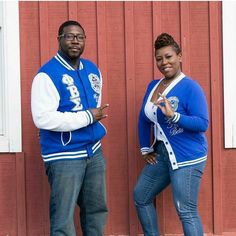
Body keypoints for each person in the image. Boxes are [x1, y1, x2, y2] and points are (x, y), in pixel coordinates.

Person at [31, 20, 109, 236]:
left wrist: (91, 117)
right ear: (59, 39)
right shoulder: (46, 75)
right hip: (64, 155)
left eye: (80, 37)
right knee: (63, 220)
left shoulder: (93, 69)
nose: (75, 41)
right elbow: (42, 119)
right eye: (69, 36)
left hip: (94, 152)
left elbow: (95, 106)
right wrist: (86, 117)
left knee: (96, 212)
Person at [133, 33, 209, 236]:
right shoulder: (153, 86)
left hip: (187, 156)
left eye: (168, 57)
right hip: (163, 154)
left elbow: (202, 123)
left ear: (179, 56)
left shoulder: (190, 87)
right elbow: (143, 118)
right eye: (159, 58)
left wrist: (174, 116)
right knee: (141, 196)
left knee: (186, 211)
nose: (164, 62)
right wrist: (145, 148)